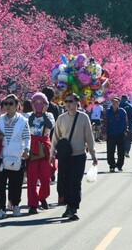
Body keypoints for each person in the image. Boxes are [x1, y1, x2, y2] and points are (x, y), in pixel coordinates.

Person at [50, 93, 97, 221]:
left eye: (71, 101)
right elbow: (56, 137)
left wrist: (93, 154)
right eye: (66, 101)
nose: (68, 103)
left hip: (79, 155)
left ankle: (73, 208)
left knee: (75, 183)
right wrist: (51, 154)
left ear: (77, 103)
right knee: (65, 182)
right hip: (65, 156)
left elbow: (89, 137)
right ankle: (69, 206)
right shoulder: (61, 118)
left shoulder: (83, 118)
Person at [0, 94, 30, 219]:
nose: (8, 106)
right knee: (0, 185)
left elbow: (27, 136)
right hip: (2, 157)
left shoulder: (23, 121)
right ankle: (1, 208)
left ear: (17, 105)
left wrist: (27, 149)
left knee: (16, 184)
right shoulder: (0, 120)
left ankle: (15, 206)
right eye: (6, 103)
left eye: (11, 104)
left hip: (17, 157)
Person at [26, 92, 55, 214]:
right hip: (32, 147)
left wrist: (44, 113)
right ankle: (33, 204)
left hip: (44, 147)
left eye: (41, 103)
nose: (38, 105)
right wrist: (33, 113)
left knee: (45, 177)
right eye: (35, 103)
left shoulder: (49, 115)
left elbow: (49, 126)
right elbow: (28, 125)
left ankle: (42, 196)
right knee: (32, 178)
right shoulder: (28, 116)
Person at [102, 97, 128, 172]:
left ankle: (119, 165)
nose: (114, 104)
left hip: (120, 134)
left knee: (121, 151)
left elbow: (126, 122)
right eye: (113, 102)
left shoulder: (122, 111)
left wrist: (126, 130)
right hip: (111, 134)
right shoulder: (107, 112)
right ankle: (112, 165)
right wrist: (104, 133)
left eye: (116, 102)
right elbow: (104, 123)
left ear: (118, 103)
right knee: (110, 151)